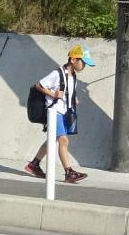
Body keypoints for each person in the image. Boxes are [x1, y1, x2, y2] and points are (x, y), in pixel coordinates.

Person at [26, 46, 93, 183]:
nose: (84, 65)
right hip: (54, 111)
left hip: (63, 112)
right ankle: (69, 172)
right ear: (73, 59)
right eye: (83, 62)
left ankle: (34, 164)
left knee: (53, 139)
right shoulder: (57, 74)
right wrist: (53, 94)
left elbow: (67, 92)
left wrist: (73, 98)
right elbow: (39, 85)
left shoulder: (73, 76)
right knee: (63, 140)